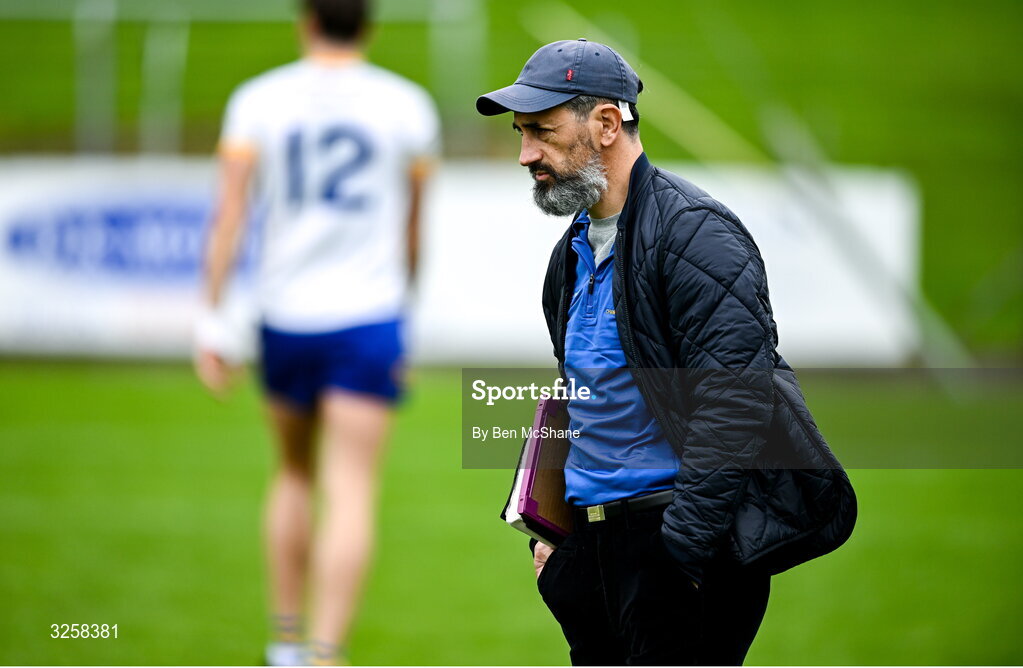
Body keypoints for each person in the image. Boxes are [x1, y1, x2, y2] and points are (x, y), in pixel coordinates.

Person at [476, 39, 855, 666]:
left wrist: (680, 551)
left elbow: (737, 404)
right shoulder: (568, 253)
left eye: (541, 131)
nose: (526, 154)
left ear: (605, 124)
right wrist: (554, 545)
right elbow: (580, 399)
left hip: (678, 552)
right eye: (522, 133)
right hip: (591, 558)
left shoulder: (697, 234)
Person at [194, 0, 440, 664]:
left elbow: (228, 217)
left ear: (306, 20)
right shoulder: (408, 106)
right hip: (369, 317)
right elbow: (413, 231)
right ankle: (326, 653)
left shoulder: (258, 100)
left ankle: (284, 642)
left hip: (285, 316)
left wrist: (212, 321)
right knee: (352, 488)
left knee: (294, 475)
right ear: (369, 23)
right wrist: (406, 318)